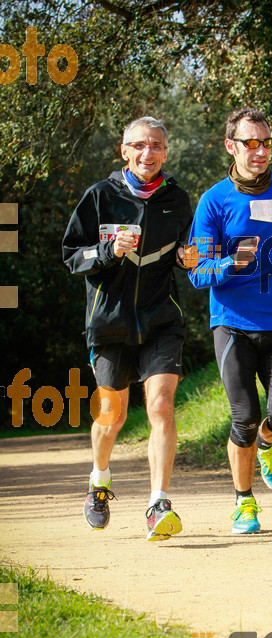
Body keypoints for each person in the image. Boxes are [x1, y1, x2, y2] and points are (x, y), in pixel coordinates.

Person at [186, 107, 272, 533]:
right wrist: (229, 263)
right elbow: (196, 270)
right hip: (232, 324)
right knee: (242, 416)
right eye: (251, 143)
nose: (260, 151)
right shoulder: (214, 201)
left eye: (266, 142)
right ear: (231, 146)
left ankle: (268, 443)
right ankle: (244, 502)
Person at [63, 116, 193, 541]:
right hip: (110, 323)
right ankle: (99, 482)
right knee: (111, 415)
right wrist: (106, 250)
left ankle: (159, 503)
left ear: (165, 152)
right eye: (138, 145)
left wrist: (188, 259)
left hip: (161, 320)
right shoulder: (100, 197)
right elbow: (71, 256)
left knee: (160, 406)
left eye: (155, 146)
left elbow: (185, 251)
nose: (147, 153)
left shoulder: (178, 200)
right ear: (124, 151)